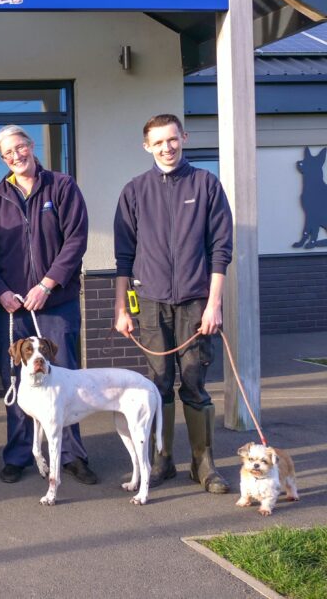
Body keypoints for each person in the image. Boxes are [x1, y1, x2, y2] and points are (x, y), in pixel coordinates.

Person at [113, 113, 232, 494]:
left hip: (197, 303)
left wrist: (214, 304)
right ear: (146, 146)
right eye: (158, 142)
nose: (167, 147)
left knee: (195, 382)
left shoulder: (206, 184)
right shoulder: (134, 191)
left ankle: (204, 463)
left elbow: (220, 249)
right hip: (150, 302)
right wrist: (121, 309)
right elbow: (123, 257)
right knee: (158, 383)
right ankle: (162, 460)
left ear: (184, 137)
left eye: (173, 139)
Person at [0, 125, 96, 486]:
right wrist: (0, 291)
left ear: (32, 146)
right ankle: (19, 455)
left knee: (64, 379)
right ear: (2, 159)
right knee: (16, 380)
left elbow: (76, 240)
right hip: (12, 309)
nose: (16, 155)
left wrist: (48, 283)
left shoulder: (61, 186)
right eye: (8, 153)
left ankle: (72, 455)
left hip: (55, 303)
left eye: (21, 147)